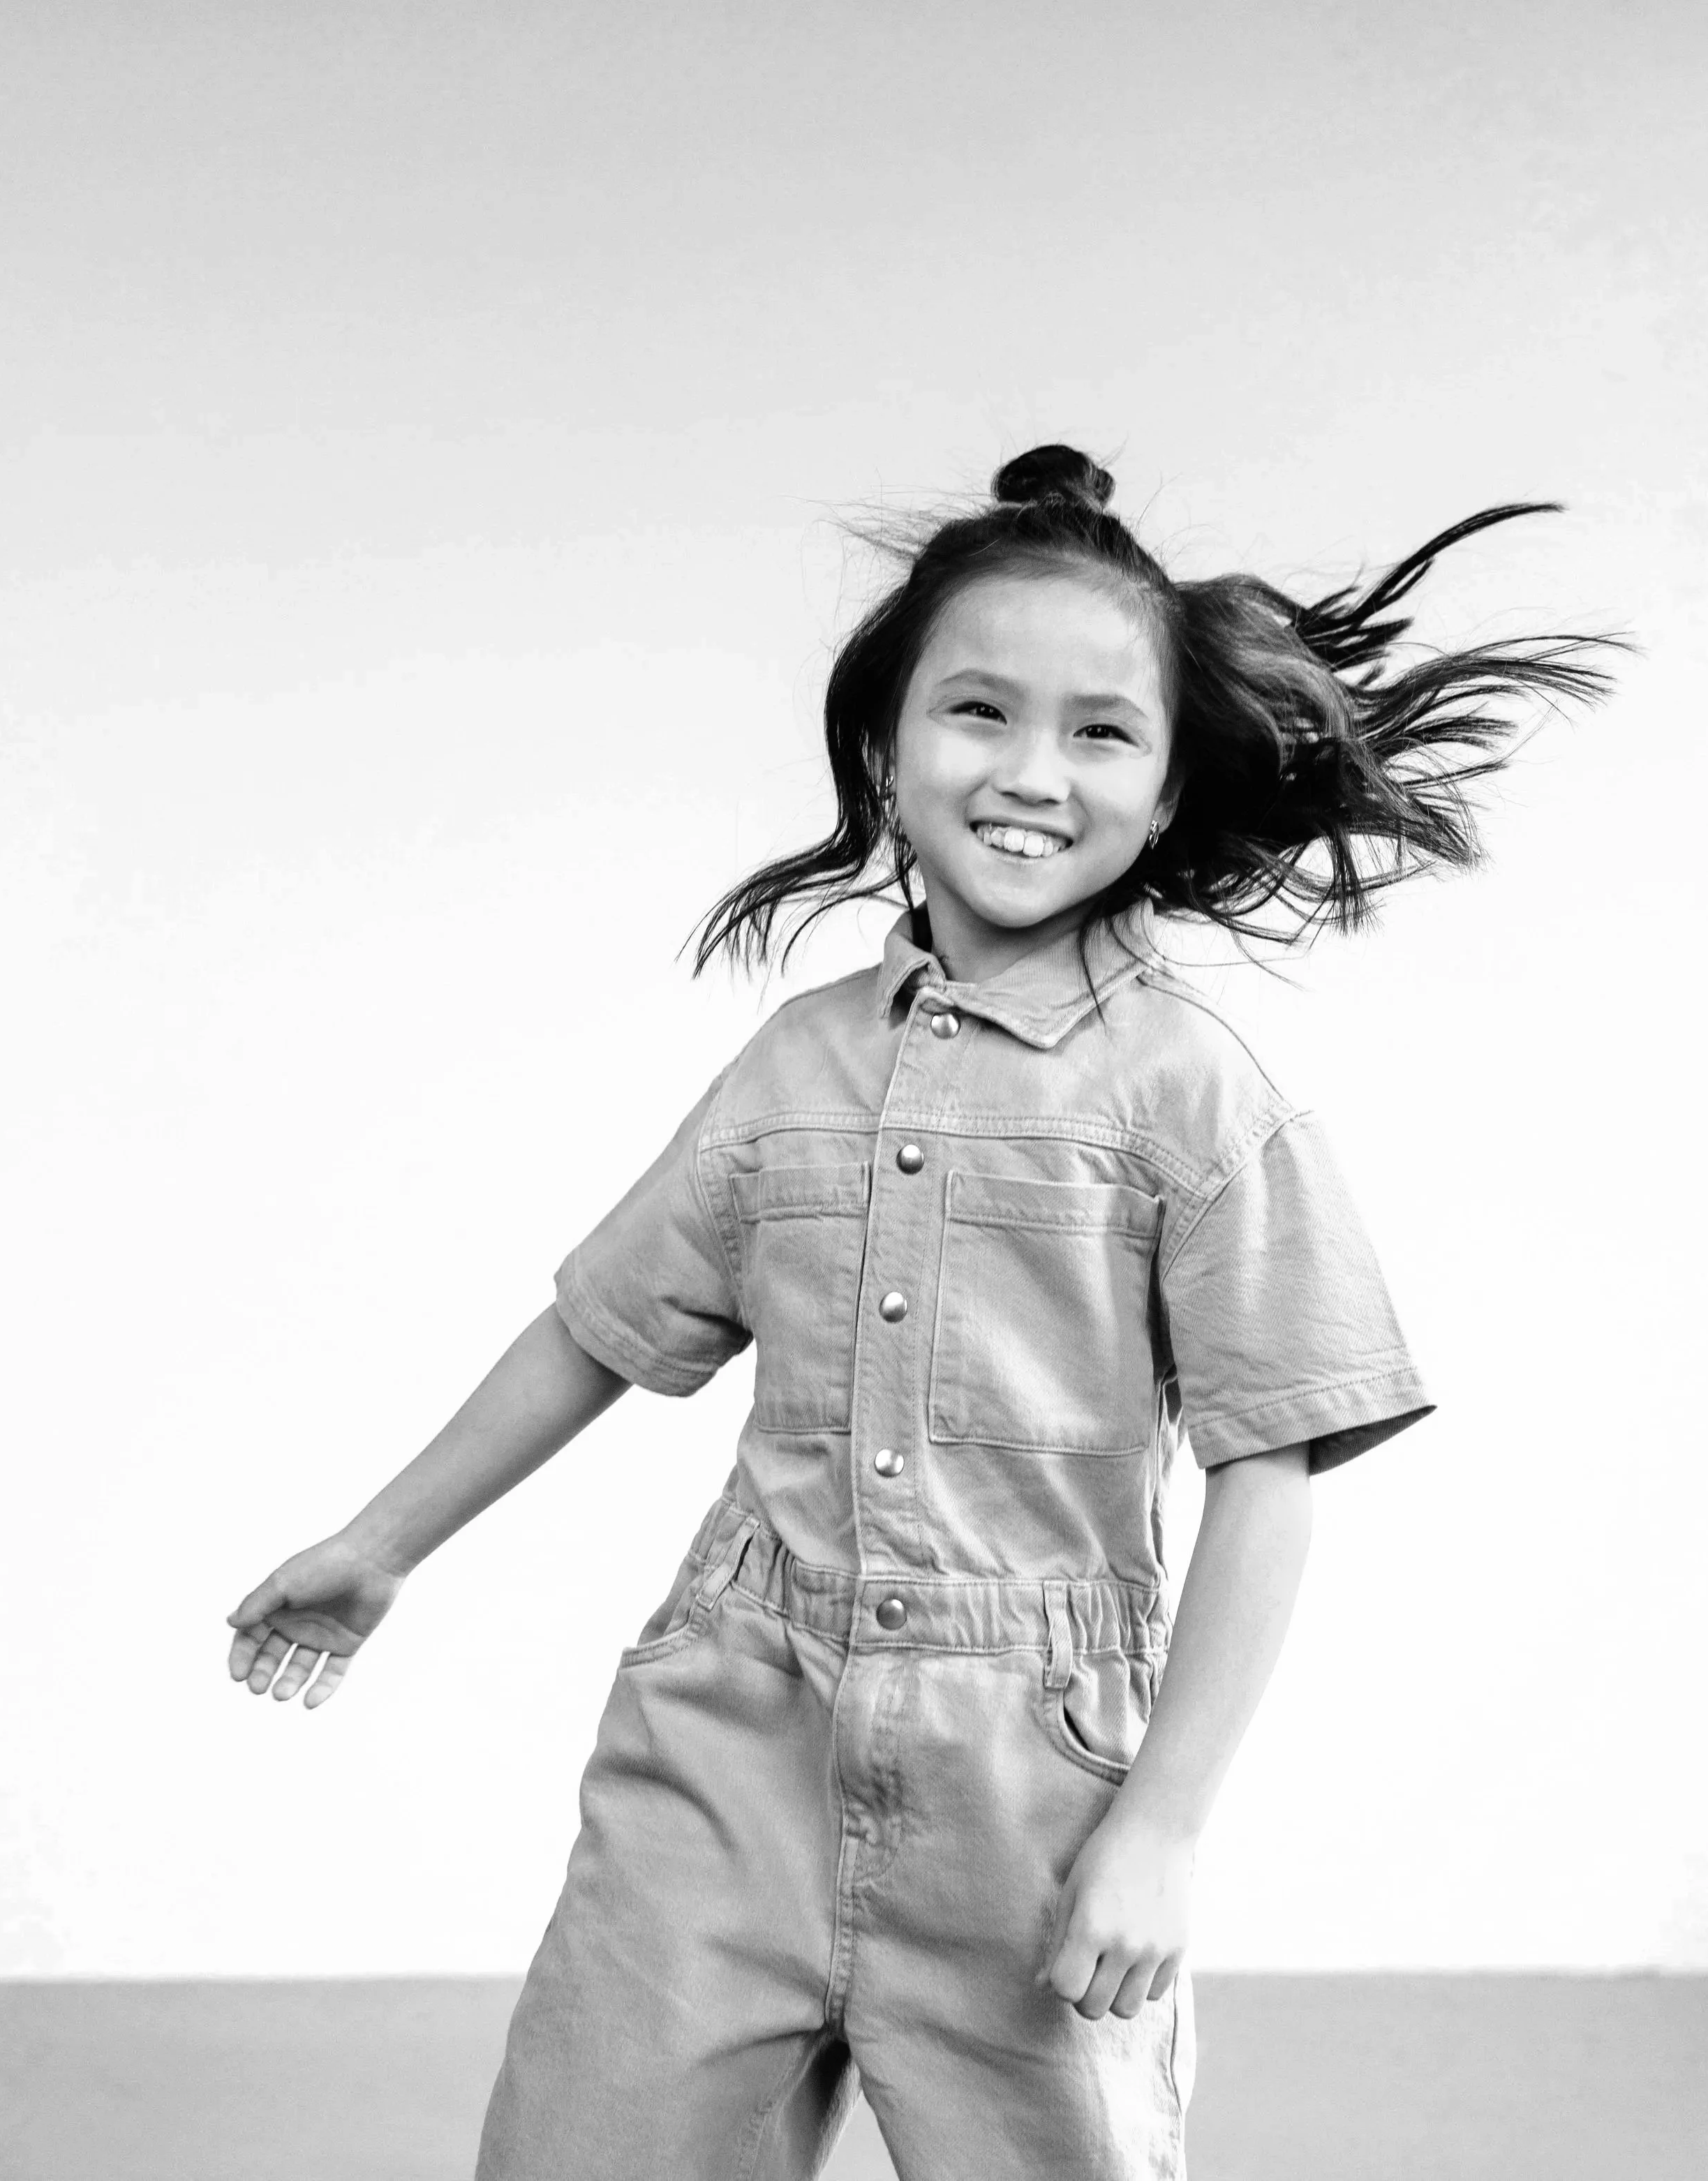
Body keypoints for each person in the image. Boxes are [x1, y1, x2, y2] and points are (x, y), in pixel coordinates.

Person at [226, 447, 1612, 2179]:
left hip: (1032, 1794)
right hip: (730, 1733)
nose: (1031, 772)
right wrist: (379, 1543)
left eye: (1100, 731)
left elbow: (1272, 1469)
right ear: (886, 755)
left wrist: (1163, 1825)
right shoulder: (795, 1063)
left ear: (1166, 792)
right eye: (977, 711)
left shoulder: (1197, 1098)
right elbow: (604, 1325)